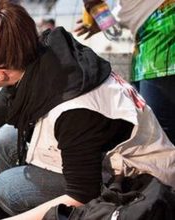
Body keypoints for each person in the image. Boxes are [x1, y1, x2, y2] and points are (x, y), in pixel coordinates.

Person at [0, 0, 175, 218]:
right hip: (98, 157)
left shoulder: (74, 109)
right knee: (4, 139)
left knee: (9, 188)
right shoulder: (32, 58)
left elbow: (82, 195)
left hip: (141, 182)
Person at [75, 0, 175, 144]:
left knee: (161, 137)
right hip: (146, 49)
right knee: (154, 134)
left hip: (164, 35)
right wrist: (106, 17)